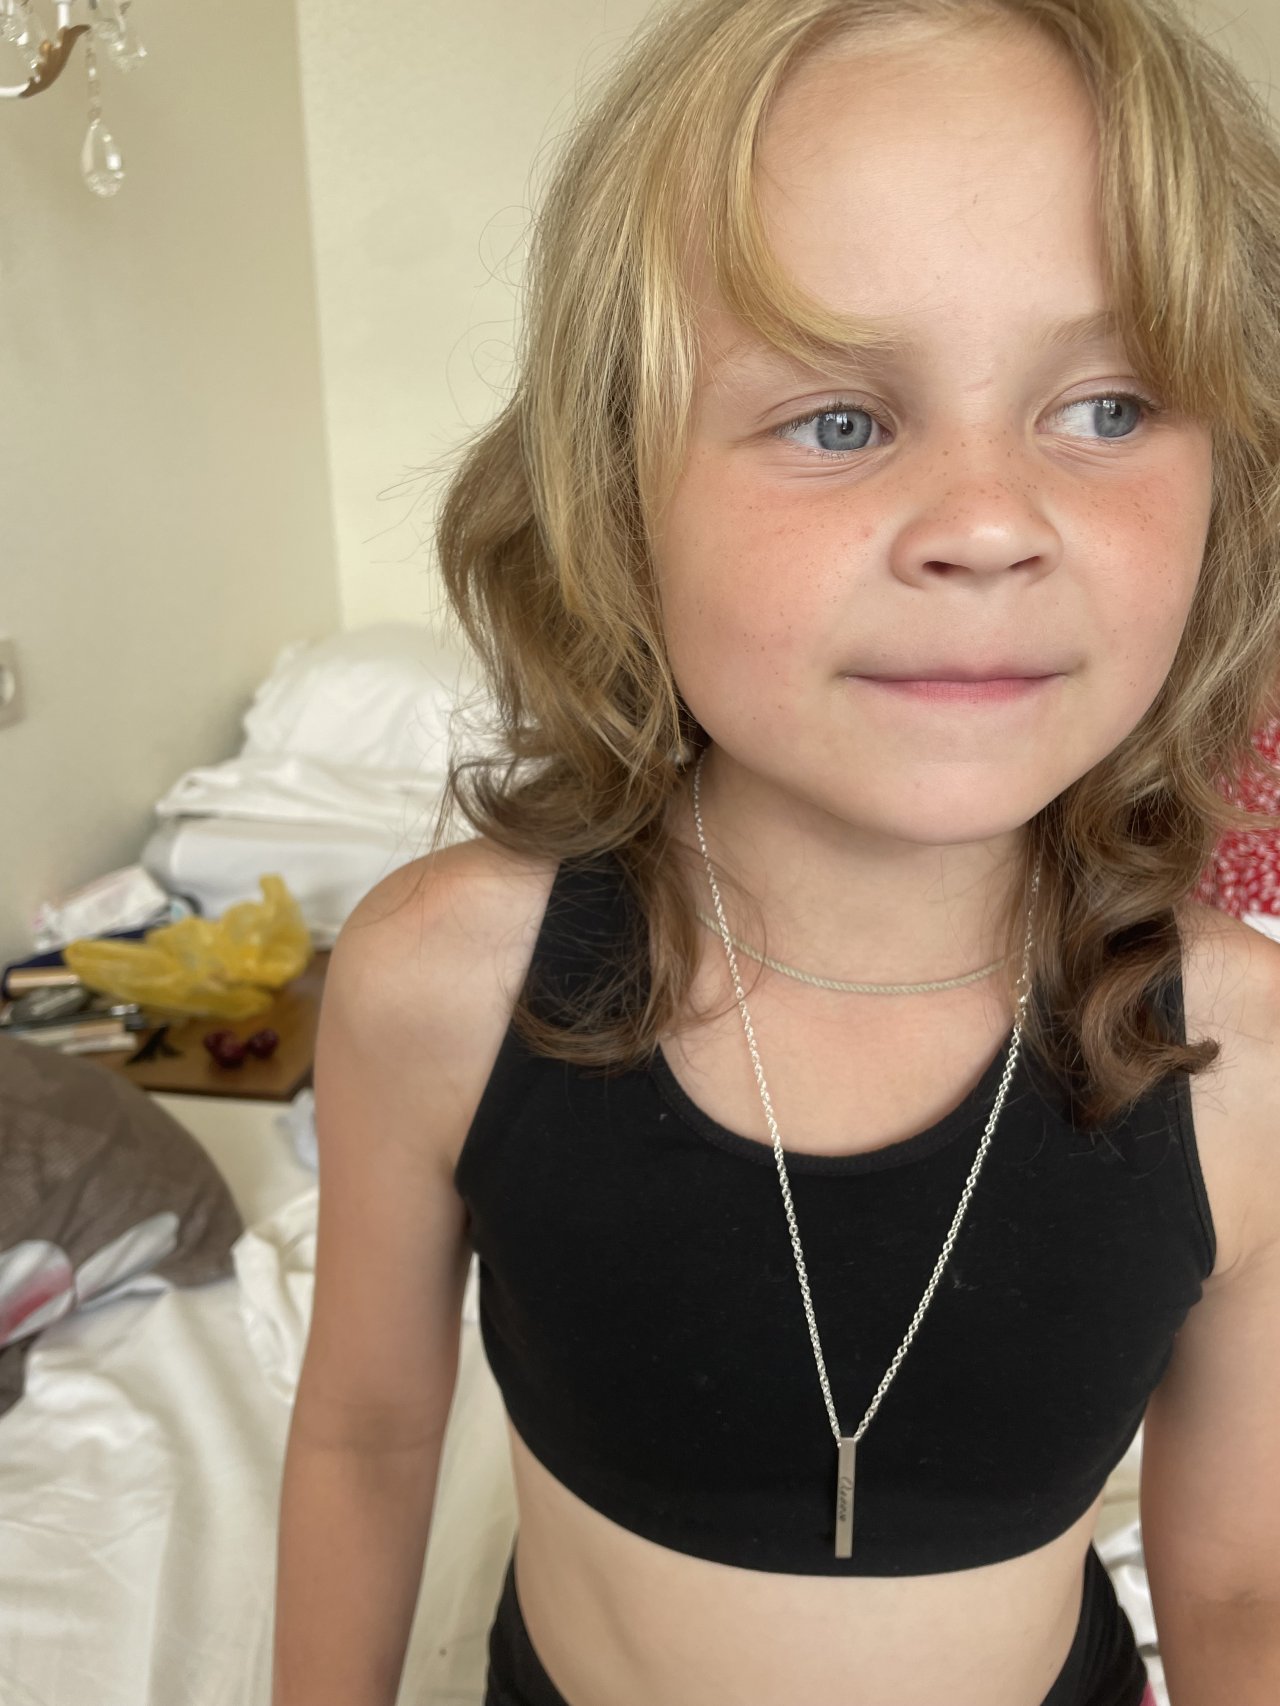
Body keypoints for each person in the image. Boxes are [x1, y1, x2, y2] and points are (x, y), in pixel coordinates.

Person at [272, 1, 1280, 1703]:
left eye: (1110, 404)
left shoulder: (1244, 1055)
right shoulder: (444, 985)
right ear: (616, 489)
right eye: (838, 419)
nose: (988, 523)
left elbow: (1244, 1586)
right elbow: (365, 1440)